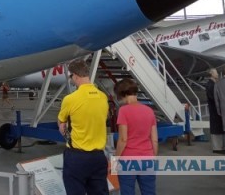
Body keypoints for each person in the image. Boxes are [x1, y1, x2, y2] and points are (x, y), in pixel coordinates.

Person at [57, 59, 109, 195]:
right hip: (99, 157)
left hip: (77, 157)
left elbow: (61, 126)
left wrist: (64, 127)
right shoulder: (103, 97)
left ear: (75, 75)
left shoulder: (70, 99)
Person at [114, 78, 158, 195]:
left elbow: (123, 139)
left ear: (122, 94)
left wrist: (116, 159)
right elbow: (154, 139)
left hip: (128, 160)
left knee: (127, 191)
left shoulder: (123, 111)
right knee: (149, 191)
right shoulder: (149, 111)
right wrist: (153, 157)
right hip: (147, 158)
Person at [205, 69, 225, 153]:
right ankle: (217, 147)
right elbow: (213, 97)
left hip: (216, 109)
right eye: (216, 73)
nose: (217, 74)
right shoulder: (210, 85)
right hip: (214, 109)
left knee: (218, 127)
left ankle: (220, 146)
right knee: (216, 127)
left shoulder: (213, 84)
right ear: (212, 74)